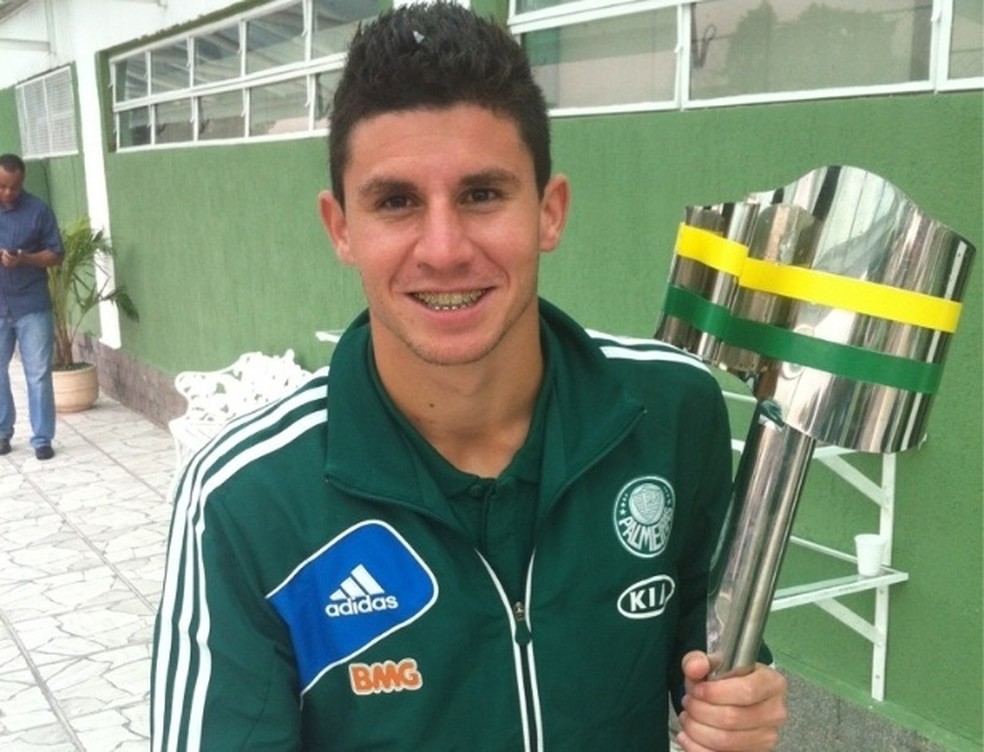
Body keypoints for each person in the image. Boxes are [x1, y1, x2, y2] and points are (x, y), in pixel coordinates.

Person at [152, 3, 787, 750]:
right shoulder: (247, 499)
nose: (445, 248)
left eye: (483, 194)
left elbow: (706, 656)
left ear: (549, 212)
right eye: (396, 202)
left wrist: (738, 706)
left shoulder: (671, 412)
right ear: (341, 229)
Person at [0, 153, 62, 461]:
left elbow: (56, 254)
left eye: (14, 187)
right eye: (2, 186)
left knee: (37, 374)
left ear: (22, 182)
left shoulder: (39, 210)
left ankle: (41, 439)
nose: (8, 193)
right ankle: (2, 433)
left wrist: (24, 258)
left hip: (31, 305)